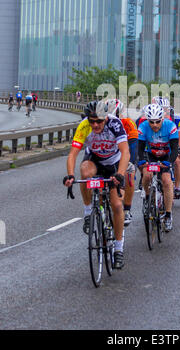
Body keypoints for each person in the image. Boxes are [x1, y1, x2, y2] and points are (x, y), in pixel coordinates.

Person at [63, 100, 130, 269]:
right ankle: (88, 213)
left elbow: (125, 151)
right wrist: (70, 175)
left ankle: (118, 248)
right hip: (95, 160)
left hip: (114, 163)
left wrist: (120, 175)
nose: (95, 124)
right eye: (92, 120)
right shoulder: (84, 126)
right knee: (84, 173)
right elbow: (73, 154)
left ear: (106, 117)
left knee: (116, 205)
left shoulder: (115, 124)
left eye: (99, 121)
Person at [138, 104, 179, 232]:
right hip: (151, 155)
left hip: (166, 155)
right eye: (151, 122)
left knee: (167, 182)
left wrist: (169, 163)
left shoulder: (171, 126)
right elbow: (139, 149)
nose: (154, 125)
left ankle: (168, 215)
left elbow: (175, 149)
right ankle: (147, 197)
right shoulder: (143, 127)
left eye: (157, 121)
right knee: (147, 175)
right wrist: (142, 161)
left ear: (162, 119)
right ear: (147, 120)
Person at [106, 99, 138, 227]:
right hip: (107, 155)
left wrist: (128, 164)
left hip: (124, 154)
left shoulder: (128, 123)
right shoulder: (102, 122)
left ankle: (127, 209)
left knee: (129, 172)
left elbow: (133, 147)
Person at [156, 97, 180, 200]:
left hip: (172, 144)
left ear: (169, 109)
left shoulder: (178, 120)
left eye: (165, 109)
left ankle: (177, 187)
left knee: (177, 161)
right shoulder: (152, 120)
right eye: (161, 109)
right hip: (157, 146)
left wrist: (179, 151)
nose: (164, 112)